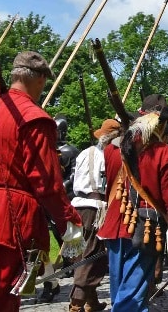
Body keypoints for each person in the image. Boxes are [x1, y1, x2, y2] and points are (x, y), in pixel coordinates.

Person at [0, 51, 84, 312]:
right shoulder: (36, 118)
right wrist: (68, 218)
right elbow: (45, 182)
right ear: (41, 80)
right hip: (6, 218)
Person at [97, 93, 168, 312]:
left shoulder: (113, 149)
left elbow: (110, 186)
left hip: (116, 222)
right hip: (144, 227)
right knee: (131, 298)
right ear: (162, 124)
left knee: (120, 293)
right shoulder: (165, 154)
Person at [68, 118, 121, 312]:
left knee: (85, 255)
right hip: (95, 208)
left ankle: (92, 301)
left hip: (78, 205)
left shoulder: (84, 152)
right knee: (91, 256)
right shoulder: (107, 155)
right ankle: (77, 303)